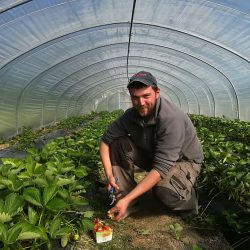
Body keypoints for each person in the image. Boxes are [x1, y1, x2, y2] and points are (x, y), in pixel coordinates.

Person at [99, 71, 204, 222]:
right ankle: (127, 198)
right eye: (135, 97)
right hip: (154, 155)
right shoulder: (130, 115)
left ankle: (190, 201)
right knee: (118, 143)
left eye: (146, 96)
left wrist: (128, 198)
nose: (140, 102)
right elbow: (105, 142)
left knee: (164, 191)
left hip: (184, 161)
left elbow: (161, 167)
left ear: (157, 92)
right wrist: (109, 175)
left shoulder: (171, 118)